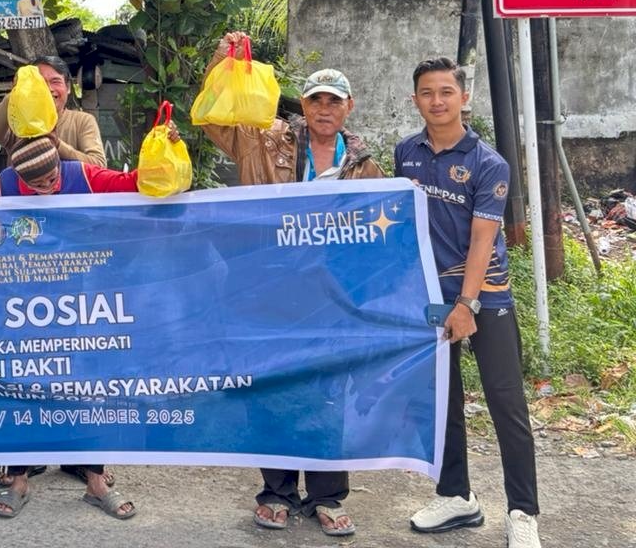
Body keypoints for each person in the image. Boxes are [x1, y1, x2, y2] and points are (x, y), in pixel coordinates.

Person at [200, 32, 383, 537]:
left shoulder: (366, 170)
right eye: (316, 99)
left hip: (330, 297)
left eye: (335, 101)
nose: (324, 109)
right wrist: (224, 60)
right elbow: (216, 117)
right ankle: (276, 492)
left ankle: (327, 496)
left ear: (349, 108)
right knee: (273, 386)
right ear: (303, 105)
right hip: (264, 288)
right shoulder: (265, 136)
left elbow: (380, 240)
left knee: (327, 391)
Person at [0, 129, 184, 520]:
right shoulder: (5, 183)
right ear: (19, 179)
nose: (50, 186)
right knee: (23, 384)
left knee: (87, 387)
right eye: (37, 185)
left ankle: (95, 481)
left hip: (84, 307)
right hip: (26, 307)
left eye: (53, 178)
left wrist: (167, 150)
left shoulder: (82, 175)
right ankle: (19, 479)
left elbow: (137, 183)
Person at [396, 58, 540, 548]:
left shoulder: (488, 163)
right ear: (415, 99)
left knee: (506, 405)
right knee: (444, 403)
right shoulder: (406, 154)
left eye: (445, 92)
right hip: (430, 299)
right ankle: (456, 496)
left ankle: (523, 512)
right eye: (427, 93)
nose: (436, 101)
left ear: (463, 97)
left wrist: (468, 305)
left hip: (486, 298)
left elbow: (483, 241)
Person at [0, 56, 106, 167]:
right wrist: (15, 94)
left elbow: (99, 165)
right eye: (40, 83)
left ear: (68, 87)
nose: (48, 89)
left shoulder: (82, 120)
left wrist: (57, 144)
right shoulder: (20, 122)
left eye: (55, 81)